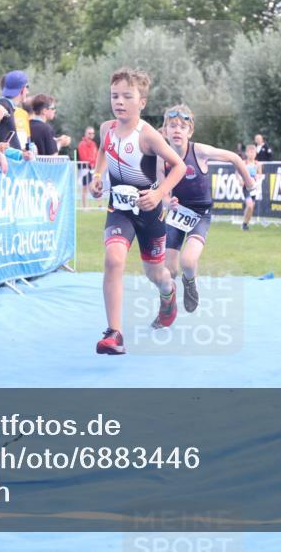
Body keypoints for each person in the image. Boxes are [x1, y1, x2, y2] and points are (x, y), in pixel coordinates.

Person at [89, 68, 187, 355]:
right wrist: (97, 176)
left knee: (156, 274)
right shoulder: (107, 128)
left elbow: (179, 166)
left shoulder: (149, 136)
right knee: (113, 259)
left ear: (141, 102)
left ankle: (168, 294)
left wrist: (158, 193)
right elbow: (104, 152)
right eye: (114, 96)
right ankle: (113, 333)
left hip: (149, 213)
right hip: (119, 210)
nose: (119, 101)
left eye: (126, 96)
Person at [160, 105, 254, 313]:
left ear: (190, 132)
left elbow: (235, 158)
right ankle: (167, 303)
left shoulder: (199, 151)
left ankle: (190, 282)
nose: (177, 130)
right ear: (164, 130)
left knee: (187, 260)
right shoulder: (162, 157)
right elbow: (162, 189)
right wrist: (167, 202)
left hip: (200, 214)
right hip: (176, 214)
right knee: (168, 270)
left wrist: (248, 181)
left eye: (182, 127)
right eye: (172, 126)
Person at [242, 143, 263, 230]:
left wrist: (257, 177)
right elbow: (237, 173)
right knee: (250, 205)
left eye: (253, 152)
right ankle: (244, 223)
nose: (251, 154)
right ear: (246, 153)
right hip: (246, 187)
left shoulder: (258, 164)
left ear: (255, 153)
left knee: (251, 207)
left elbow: (260, 174)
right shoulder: (243, 163)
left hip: (254, 188)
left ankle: (245, 224)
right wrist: (240, 179)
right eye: (250, 152)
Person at [77, 126, 98, 207]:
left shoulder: (93, 144)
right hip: (85, 169)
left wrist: (95, 163)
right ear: (85, 134)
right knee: (85, 188)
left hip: (93, 168)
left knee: (95, 186)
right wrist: (93, 161)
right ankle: (84, 207)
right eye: (89, 133)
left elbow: (96, 156)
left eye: (92, 133)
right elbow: (84, 157)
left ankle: (97, 206)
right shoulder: (82, 144)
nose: (91, 135)